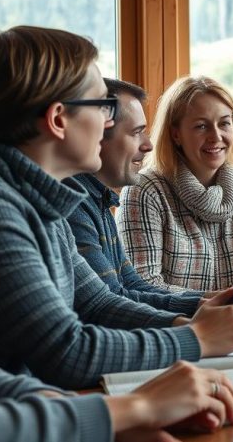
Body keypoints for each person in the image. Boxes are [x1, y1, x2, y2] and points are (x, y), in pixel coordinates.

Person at [0, 0, 233, 441]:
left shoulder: (46, 197)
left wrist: (105, 415)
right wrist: (142, 398)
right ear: (58, 119)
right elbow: (62, 350)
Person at [0, 26, 233, 389]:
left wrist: (189, 323)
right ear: (59, 118)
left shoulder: (36, 196)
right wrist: (197, 339)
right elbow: (67, 352)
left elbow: (97, 304)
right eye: (103, 106)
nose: (109, 123)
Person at [117, 75, 233, 322]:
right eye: (201, 126)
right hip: (179, 331)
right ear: (175, 134)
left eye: (224, 123)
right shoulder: (145, 190)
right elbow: (143, 286)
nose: (216, 136)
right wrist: (221, 304)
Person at [68, 77, 204, 315]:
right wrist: (197, 322)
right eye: (136, 133)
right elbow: (110, 302)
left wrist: (208, 302)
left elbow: (132, 284)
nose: (148, 145)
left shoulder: (99, 199)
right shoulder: (74, 205)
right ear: (97, 136)